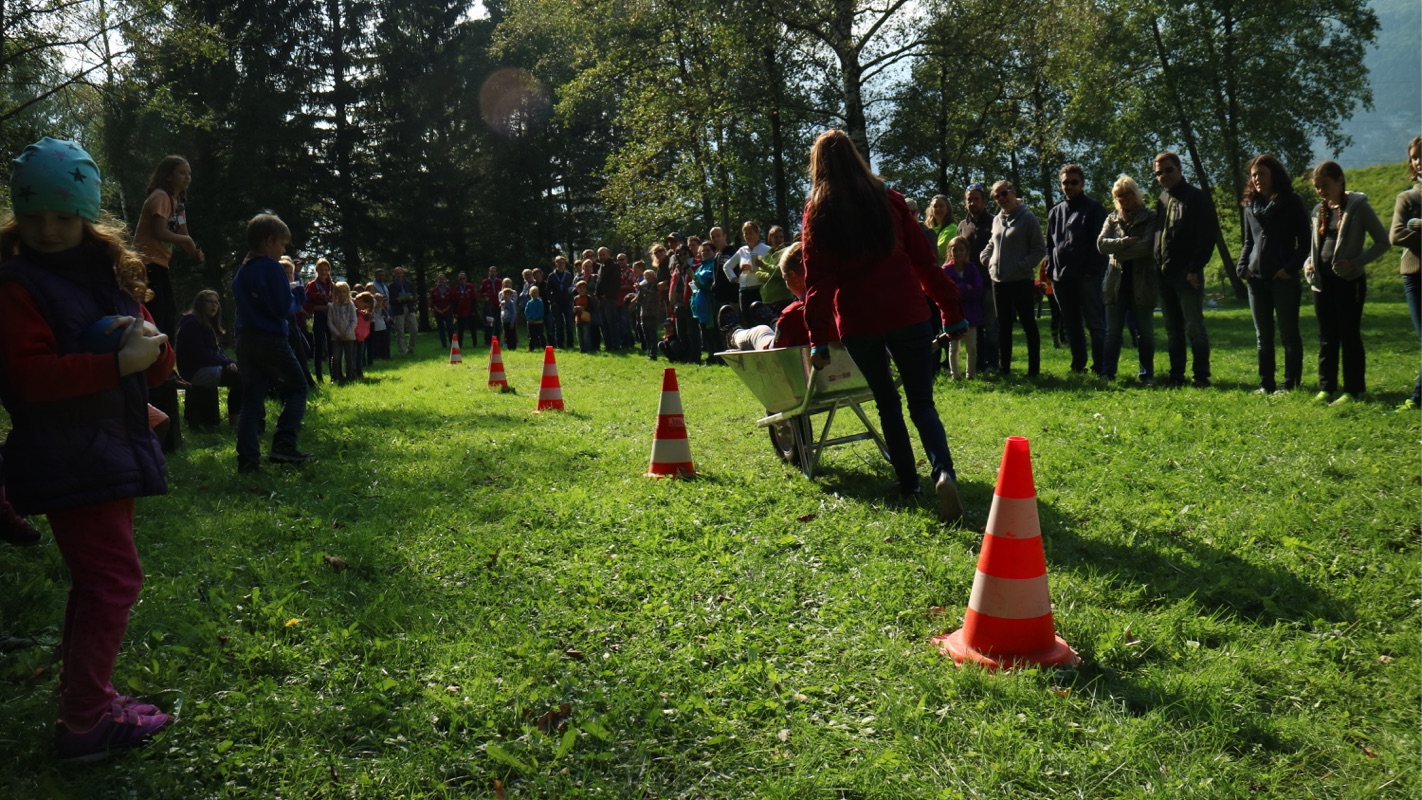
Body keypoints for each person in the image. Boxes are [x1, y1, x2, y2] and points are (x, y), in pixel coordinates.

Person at [0, 137, 176, 759]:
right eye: (34, 215)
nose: (48, 229)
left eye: (63, 215)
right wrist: (114, 365)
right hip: (67, 451)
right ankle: (85, 723)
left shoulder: (106, 277)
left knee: (97, 579)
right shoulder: (17, 286)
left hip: (106, 447)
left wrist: (150, 346)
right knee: (113, 581)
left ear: (86, 215)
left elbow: (152, 364)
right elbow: (28, 378)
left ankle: (88, 696)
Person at [801, 130, 968, 523]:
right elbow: (925, 262)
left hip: (860, 321)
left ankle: (909, 483)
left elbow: (817, 282)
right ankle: (943, 472)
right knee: (922, 403)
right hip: (908, 312)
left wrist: (818, 340)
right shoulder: (889, 198)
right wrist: (951, 311)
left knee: (887, 402)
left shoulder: (818, 211)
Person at [1304, 161, 1390, 406]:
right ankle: (1326, 388)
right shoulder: (1318, 211)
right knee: (1326, 336)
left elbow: (1383, 242)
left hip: (1349, 282)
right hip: (1322, 283)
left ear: (1340, 180)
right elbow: (1315, 247)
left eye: (1325, 185)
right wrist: (1309, 263)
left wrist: (1356, 263)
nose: (1321, 191)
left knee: (1349, 335)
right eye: (1317, 187)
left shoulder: (1358, 208)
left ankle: (1353, 390)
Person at [232, 213, 312, 472]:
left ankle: (247, 459)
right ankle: (284, 444)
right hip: (270, 339)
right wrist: (298, 293)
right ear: (269, 241)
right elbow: (282, 308)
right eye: (282, 244)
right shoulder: (272, 268)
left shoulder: (243, 271)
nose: (283, 250)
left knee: (252, 399)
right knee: (298, 387)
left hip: (244, 339)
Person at [1237, 155, 1309, 395]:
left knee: (1289, 333)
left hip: (1283, 279)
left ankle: (1290, 384)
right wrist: (1242, 267)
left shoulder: (1291, 201)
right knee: (1263, 336)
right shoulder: (1250, 205)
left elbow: (1305, 241)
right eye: (1254, 175)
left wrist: (1289, 269)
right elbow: (1248, 241)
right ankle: (1265, 384)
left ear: (1274, 175)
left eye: (1262, 174)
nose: (1257, 179)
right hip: (1256, 279)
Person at [1152, 151, 1217, 388]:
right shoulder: (1161, 199)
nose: (1164, 176)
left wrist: (1194, 268)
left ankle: (1201, 376)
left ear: (1179, 168)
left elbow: (1208, 235)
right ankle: (1176, 375)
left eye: (1168, 170)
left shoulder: (1196, 197)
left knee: (1194, 326)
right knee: (1173, 329)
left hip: (1187, 273)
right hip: (1164, 274)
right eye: (1159, 173)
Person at [1096, 174, 1158, 384]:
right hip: (1115, 283)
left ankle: (1146, 373)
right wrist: (1125, 242)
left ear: (1135, 194)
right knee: (1112, 333)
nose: (1123, 199)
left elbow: (1147, 246)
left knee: (1145, 333)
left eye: (1126, 194)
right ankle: (1107, 373)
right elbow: (1101, 245)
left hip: (1142, 282)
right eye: (1119, 196)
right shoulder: (1112, 218)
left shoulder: (1150, 217)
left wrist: (1118, 250)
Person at [980, 180, 1046, 377]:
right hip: (998, 281)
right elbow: (992, 242)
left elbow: (1039, 249)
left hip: (1021, 280)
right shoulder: (996, 220)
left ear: (1013, 192)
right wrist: (985, 257)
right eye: (996, 196)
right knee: (1004, 326)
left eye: (1004, 193)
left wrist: (1020, 266)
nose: (1001, 198)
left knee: (1028, 324)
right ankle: (1004, 368)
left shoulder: (1028, 218)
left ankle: (1033, 370)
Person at [1047, 165, 1109, 375]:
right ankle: (1078, 365)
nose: (1069, 186)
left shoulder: (1093, 208)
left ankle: (1101, 367)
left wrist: (1091, 271)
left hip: (1086, 277)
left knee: (1095, 324)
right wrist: (1051, 269)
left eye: (1074, 182)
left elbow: (1100, 244)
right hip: (1061, 278)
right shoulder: (1055, 212)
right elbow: (1050, 245)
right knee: (1072, 325)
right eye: (1066, 182)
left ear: (1082, 184)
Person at [176, 289, 244, 426]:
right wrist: (226, 363)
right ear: (200, 303)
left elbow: (217, 352)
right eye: (210, 302)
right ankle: (235, 423)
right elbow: (201, 354)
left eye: (216, 303)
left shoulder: (207, 323)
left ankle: (240, 419)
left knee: (242, 371)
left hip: (207, 367)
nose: (214, 305)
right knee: (239, 378)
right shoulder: (191, 323)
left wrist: (231, 362)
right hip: (194, 371)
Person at [1390, 136, 1422, 411]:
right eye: (1415, 157)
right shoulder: (1407, 197)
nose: (1419, 161)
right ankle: (1418, 397)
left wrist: (1418, 226)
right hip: (1414, 275)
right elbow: (1396, 235)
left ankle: (1417, 397)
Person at [958, 184, 999, 374]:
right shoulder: (962, 225)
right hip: (970, 285)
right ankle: (979, 363)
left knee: (991, 326)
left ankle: (994, 363)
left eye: (976, 199)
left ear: (984, 201)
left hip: (989, 282)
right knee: (974, 326)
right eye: (969, 199)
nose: (972, 203)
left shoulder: (994, 221)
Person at [942, 237, 983, 380]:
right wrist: (966, 287)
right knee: (954, 347)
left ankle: (970, 374)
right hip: (953, 315)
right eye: (955, 250)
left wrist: (959, 289)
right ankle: (955, 375)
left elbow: (978, 290)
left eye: (961, 250)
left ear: (966, 251)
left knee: (972, 347)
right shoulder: (946, 270)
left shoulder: (972, 268)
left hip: (971, 314)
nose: (958, 253)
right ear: (950, 251)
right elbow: (946, 291)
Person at [722, 221, 772, 319]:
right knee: (748, 320)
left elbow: (771, 269)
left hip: (761, 290)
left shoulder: (767, 249)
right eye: (746, 234)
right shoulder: (742, 251)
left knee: (762, 319)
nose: (748, 236)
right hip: (744, 291)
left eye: (750, 233)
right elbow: (727, 266)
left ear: (757, 233)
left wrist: (754, 268)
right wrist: (734, 279)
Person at [304, 258, 336, 382]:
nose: (323, 272)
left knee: (332, 346)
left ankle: (334, 375)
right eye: (321, 269)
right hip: (318, 317)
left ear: (329, 271)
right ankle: (319, 377)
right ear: (317, 270)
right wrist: (321, 307)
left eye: (326, 270)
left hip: (331, 317)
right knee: (318, 346)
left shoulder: (332, 285)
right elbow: (306, 304)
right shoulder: (312, 285)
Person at [327, 281, 357, 383]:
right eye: (339, 292)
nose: (342, 294)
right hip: (336, 337)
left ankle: (350, 376)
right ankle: (335, 377)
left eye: (344, 292)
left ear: (347, 292)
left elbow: (353, 321)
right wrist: (337, 334)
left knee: (349, 357)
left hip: (349, 336)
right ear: (335, 293)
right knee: (336, 357)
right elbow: (330, 322)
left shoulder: (351, 305)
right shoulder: (332, 306)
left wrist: (347, 333)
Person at [546, 256, 576, 349]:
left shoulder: (569, 275)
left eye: (563, 263)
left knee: (569, 323)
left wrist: (572, 300)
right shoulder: (551, 276)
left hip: (567, 302)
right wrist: (552, 301)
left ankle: (570, 344)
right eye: (559, 262)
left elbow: (573, 287)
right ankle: (560, 344)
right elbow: (547, 290)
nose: (561, 264)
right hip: (556, 303)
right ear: (556, 264)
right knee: (558, 324)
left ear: (565, 264)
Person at [388, 266, 417, 355]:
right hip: (398, 309)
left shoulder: (408, 284)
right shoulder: (391, 286)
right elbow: (389, 300)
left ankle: (410, 348)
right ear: (394, 274)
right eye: (397, 273)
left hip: (409, 308)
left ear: (403, 273)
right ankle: (402, 351)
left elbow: (414, 295)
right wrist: (397, 300)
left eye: (400, 273)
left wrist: (412, 297)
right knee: (400, 331)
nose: (399, 275)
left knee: (414, 329)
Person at [925, 194, 958, 263]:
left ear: (947, 208)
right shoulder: (926, 228)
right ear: (931, 210)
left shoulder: (952, 228)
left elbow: (940, 251)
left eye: (941, 206)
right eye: (935, 206)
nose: (938, 209)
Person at [453, 271, 477, 349]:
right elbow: (454, 301)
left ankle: (475, 344)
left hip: (470, 311)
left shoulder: (470, 287)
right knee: (460, 329)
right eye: (460, 279)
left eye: (463, 278)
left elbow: (474, 299)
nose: (462, 280)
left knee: (472, 328)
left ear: (466, 279)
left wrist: (473, 310)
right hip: (460, 312)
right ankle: (459, 345)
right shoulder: (456, 288)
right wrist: (455, 312)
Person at [429, 272, 453, 351]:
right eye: (439, 279)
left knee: (450, 328)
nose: (441, 280)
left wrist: (446, 309)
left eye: (442, 279)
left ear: (445, 280)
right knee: (441, 329)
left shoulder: (449, 289)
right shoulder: (434, 290)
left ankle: (452, 343)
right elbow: (432, 303)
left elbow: (451, 301)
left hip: (447, 312)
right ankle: (444, 345)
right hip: (438, 312)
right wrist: (438, 310)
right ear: (437, 280)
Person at [524, 285, 547, 351]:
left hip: (538, 322)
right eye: (533, 293)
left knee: (541, 335)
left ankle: (544, 347)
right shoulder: (529, 303)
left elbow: (540, 312)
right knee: (531, 336)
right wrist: (528, 318)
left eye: (536, 293)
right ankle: (531, 348)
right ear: (530, 294)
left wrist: (534, 319)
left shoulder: (540, 302)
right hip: (530, 322)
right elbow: (526, 311)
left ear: (538, 293)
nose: (534, 294)